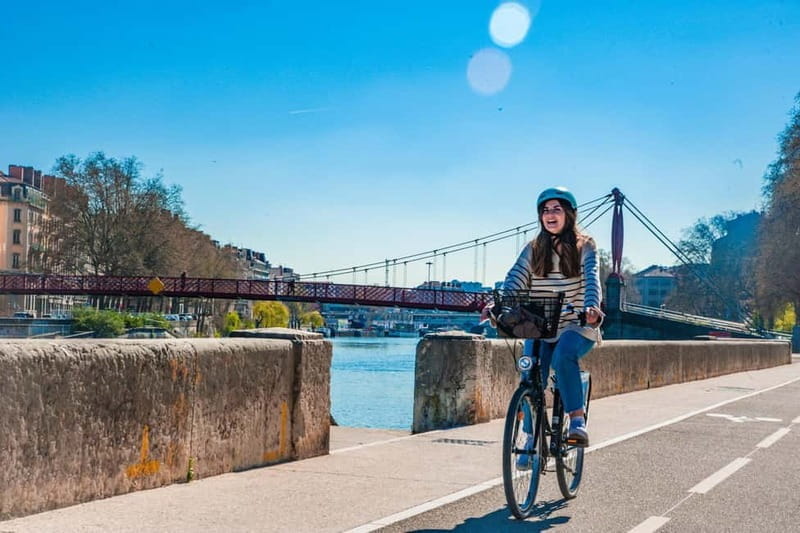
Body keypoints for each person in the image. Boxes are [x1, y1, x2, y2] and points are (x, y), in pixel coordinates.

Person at [484, 186, 603, 463]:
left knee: (563, 357)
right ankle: (530, 436)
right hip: (541, 325)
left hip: (576, 324)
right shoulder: (533, 248)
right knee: (530, 373)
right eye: (545, 210)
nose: (550, 215)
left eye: (556, 209)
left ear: (569, 214)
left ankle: (576, 422)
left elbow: (591, 280)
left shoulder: (585, 245)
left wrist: (592, 308)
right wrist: (499, 305)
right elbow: (515, 279)